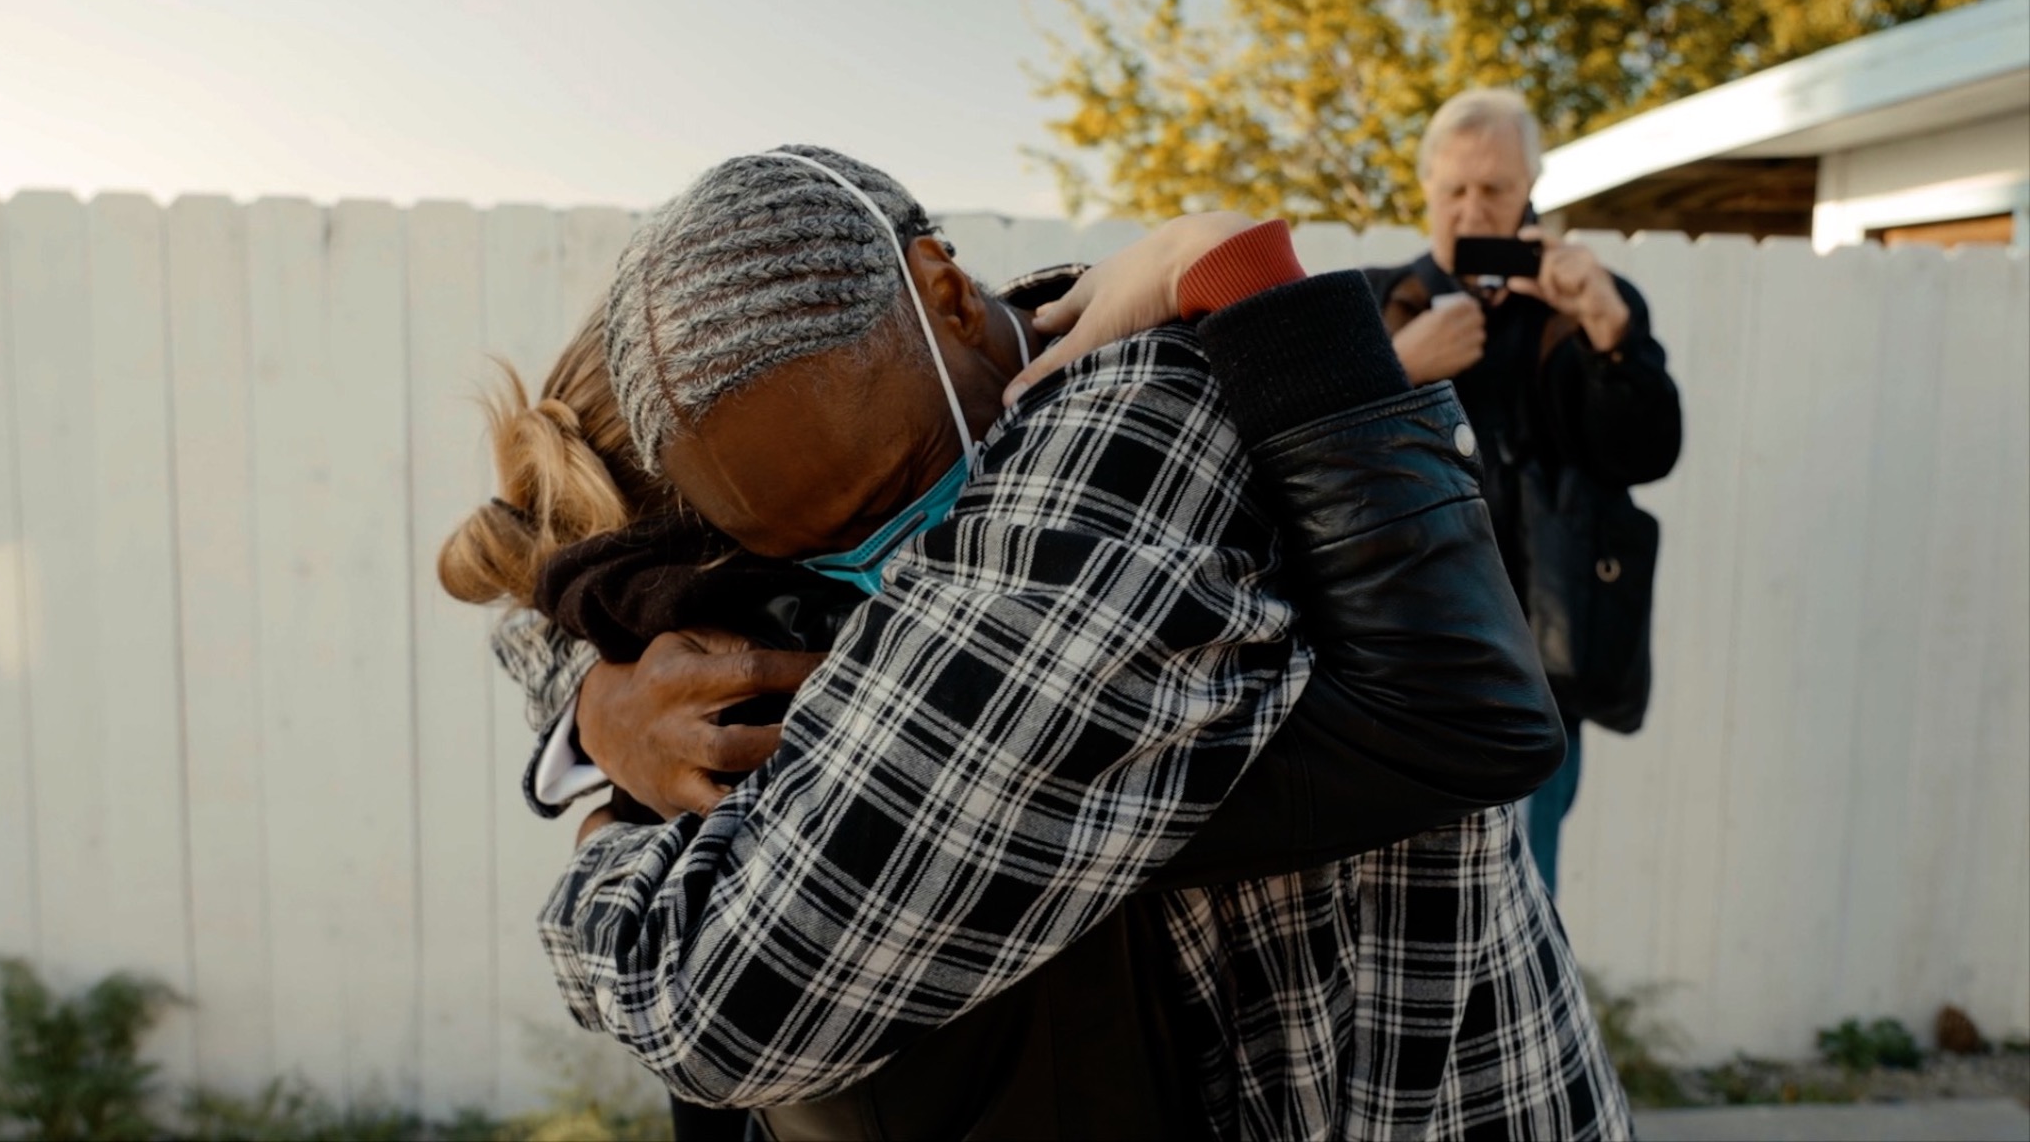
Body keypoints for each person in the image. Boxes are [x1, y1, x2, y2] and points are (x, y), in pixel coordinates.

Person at [443, 144, 1627, 1138]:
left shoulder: (1104, 454)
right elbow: (559, 623)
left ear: (947, 291)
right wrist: (597, 711)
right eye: (817, 553)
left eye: (889, 496)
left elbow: (716, 1005)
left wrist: (603, 823)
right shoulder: (887, 455)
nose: (888, 568)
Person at [1363, 88, 1684, 895]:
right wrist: (1398, 367)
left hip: (1535, 660)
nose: (1473, 208)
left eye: (1494, 189)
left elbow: (1648, 453)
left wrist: (1610, 333)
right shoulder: (1375, 305)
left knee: (1517, 888)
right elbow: (1313, 463)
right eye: (1455, 190)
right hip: (1395, 652)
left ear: (1529, 193)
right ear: (1427, 193)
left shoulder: (1576, 307)